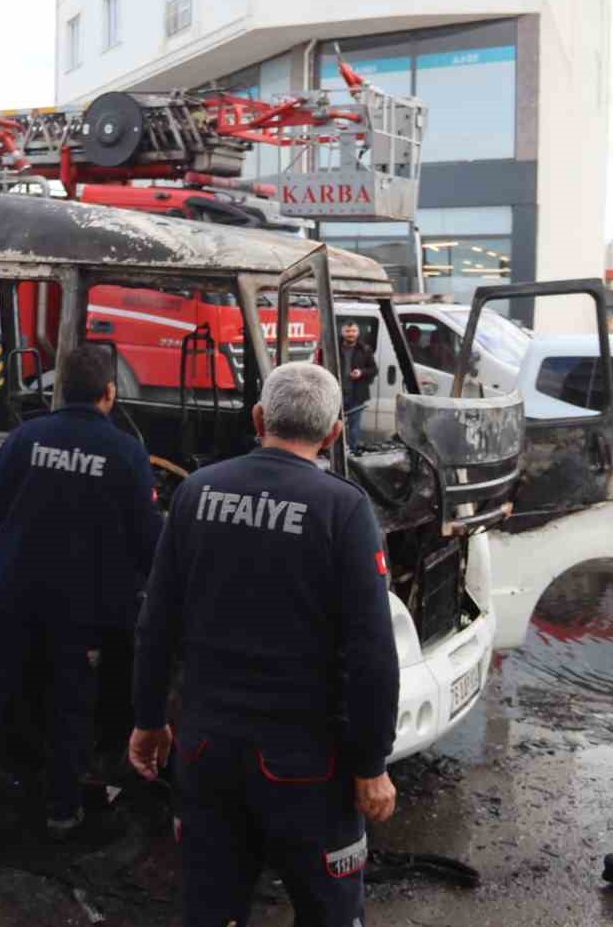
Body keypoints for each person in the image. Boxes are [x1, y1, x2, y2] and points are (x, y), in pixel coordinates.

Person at [129, 362, 400, 927]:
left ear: (258, 419)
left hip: (206, 754)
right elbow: (371, 652)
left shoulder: (196, 492)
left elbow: (156, 622)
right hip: (305, 766)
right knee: (327, 910)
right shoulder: (343, 509)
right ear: (333, 434)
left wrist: (149, 718)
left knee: (211, 907)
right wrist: (370, 762)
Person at [0, 345, 163, 836]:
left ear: (60, 390)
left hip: (11, 595)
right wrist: (164, 591)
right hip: (81, 607)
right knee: (70, 703)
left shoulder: (27, 437)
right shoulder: (127, 453)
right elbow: (148, 535)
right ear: (110, 394)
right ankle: (61, 811)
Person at [338, 322, 377, 438]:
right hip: (336, 393)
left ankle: (353, 451)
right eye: (348, 331)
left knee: (354, 428)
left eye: (353, 331)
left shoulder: (365, 349)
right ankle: (334, 453)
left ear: (358, 333)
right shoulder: (334, 347)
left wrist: (361, 372)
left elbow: (374, 369)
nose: (351, 334)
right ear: (342, 333)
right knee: (335, 426)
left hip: (356, 394)